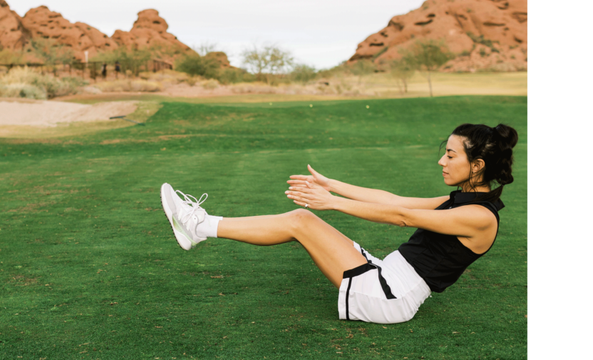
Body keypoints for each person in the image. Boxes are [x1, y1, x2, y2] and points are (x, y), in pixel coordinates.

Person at [160, 123, 518, 324]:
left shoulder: (479, 217)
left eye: (451, 154)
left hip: (390, 297)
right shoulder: (463, 201)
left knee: (302, 220)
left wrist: (332, 204)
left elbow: (402, 216)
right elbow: (392, 200)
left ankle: (198, 226)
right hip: (387, 275)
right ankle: (200, 226)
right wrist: (331, 184)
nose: (442, 160)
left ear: (478, 165)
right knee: (300, 220)